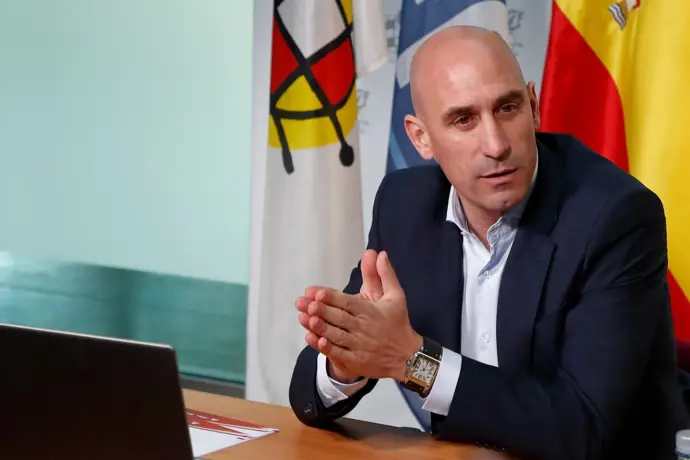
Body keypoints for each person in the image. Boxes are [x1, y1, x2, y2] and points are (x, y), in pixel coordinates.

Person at [288, 25, 688, 460]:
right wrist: (346, 361)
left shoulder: (614, 217)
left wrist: (413, 361)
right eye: (464, 120)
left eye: (507, 108)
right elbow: (311, 389)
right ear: (421, 137)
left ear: (533, 107)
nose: (496, 145)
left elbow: (584, 428)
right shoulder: (405, 206)